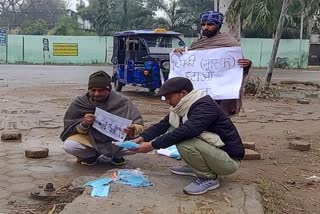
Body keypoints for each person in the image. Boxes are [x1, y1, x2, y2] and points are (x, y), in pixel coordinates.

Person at [132, 77, 244, 195]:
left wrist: (152, 145)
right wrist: (141, 138)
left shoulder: (205, 106)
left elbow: (187, 131)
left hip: (229, 161)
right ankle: (196, 166)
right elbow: (163, 125)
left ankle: (208, 178)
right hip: (216, 153)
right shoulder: (181, 107)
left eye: (169, 97)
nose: (167, 102)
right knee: (173, 128)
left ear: (183, 93)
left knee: (183, 140)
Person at [175, 11, 252, 116]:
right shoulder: (196, 44)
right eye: (203, 24)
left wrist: (246, 65)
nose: (205, 27)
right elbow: (189, 65)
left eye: (210, 24)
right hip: (199, 93)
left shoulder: (230, 43)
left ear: (218, 26)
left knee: (219, 119)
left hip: (220, 94)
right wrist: (179, 54)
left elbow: (236, 70)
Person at [60, 70, 144, 166]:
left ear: (109, 89)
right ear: (88, 90)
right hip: (90, 139)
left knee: (138, 146)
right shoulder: (80, 102)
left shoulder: (123, 102)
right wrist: (84, 124)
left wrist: (133, 129)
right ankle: (91, 155)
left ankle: (116, 155)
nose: (96, 94)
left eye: (101, 90)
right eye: (93, 90)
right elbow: (70, 126)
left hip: (116, 142)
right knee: (69, 146)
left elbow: (139, 124)